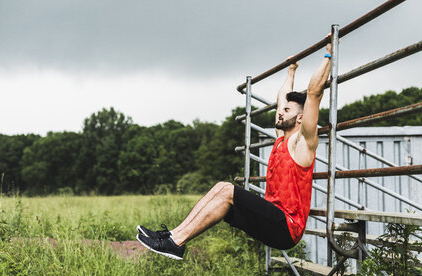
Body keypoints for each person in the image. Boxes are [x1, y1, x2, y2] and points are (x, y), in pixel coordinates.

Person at [136, 42, 332, 260]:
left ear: (300, 118)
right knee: (222, 192)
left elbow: (314, 93)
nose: (279, 113)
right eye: (281, 110)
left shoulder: (303, 143)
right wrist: (291, 70)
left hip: (287, 228)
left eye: (286, 111)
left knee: (228, 189)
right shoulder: (280, 141)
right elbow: (281, 98)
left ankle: (175, 242)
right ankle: (172, 237)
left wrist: (329, 53)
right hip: (271, 221)